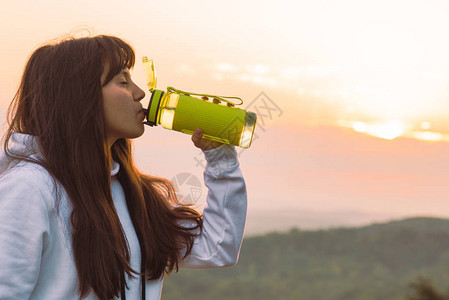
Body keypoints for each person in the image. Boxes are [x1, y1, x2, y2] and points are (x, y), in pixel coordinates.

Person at [0, 34, 247, 300]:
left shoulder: (132, 193)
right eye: (122, 81)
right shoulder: (29, 188)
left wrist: (220, 156)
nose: (140, 93)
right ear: (81, 96)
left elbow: (218, 246)